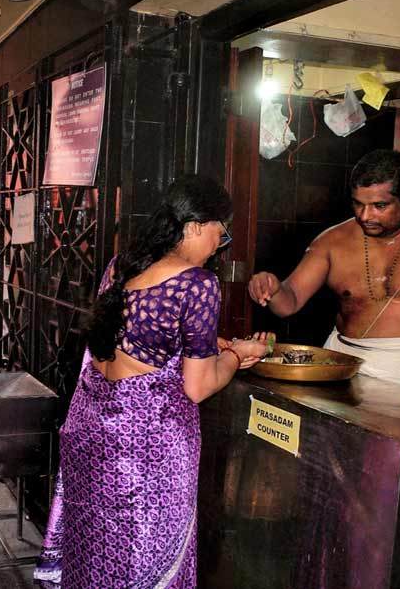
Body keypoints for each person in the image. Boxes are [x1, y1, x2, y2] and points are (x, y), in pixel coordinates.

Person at [34, 174, 268, 589]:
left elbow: (135, 337)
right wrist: (236, 355)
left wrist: (211, 343)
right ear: (195, 225)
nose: (221, 242)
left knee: (97, 546)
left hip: (93, 429)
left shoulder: (123, 265)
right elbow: (197, 387)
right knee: (144, 556)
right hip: (146, 447)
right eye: (220, 230)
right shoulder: (197, 284)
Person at [248, 149, 400, 411]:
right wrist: (272, 289)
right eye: (358, 204)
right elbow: (290, 301)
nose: (365, 216)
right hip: (339, 363)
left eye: (379, 206)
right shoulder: (333, 240)